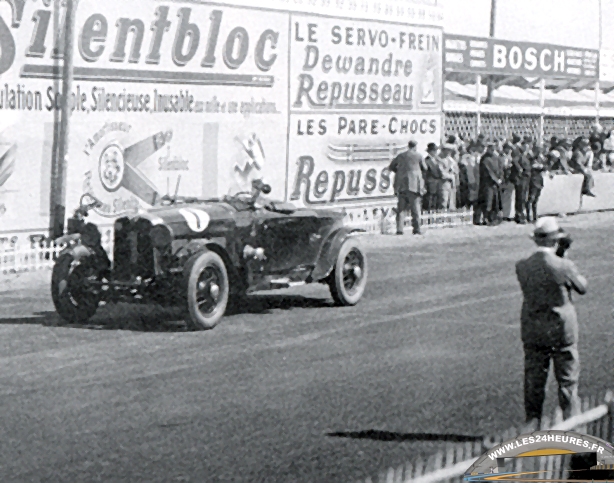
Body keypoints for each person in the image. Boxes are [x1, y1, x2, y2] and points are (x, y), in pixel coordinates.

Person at [515, 217, 587, 431]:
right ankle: (573, 430)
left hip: (534, 328)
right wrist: (564, 257)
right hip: (561, 329)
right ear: (556, 240)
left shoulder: (522, 266)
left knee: (534, 383)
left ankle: (532, 426)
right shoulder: (564, 265)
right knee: (567, 382)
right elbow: (581, 286)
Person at [388, 140, 427, 235]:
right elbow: (425, 168)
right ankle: (416, 229)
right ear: (415, 146)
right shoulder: (418, 156)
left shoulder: (401, 155)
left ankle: (400, 229)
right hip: (414, 185)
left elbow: (391, 166)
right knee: (415, 208)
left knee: (401, 208)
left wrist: (400, 171)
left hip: (401, 184)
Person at [477, 141, 503, 226]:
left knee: (496, 201)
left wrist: (500, 178)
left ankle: (493, 218)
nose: (492, 150)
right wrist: (496, 179)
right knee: (488, 200)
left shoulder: (496, 157)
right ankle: (485, 218)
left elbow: (500, 168)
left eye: (493, 148)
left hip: (496, 183)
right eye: (490, 148)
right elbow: (488, 171)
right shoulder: (484, 158)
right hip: (487, 183)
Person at [510, 139, 532, 224]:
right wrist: (519, 169)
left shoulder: (526, 156)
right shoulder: (518, 155)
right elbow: (515, 161)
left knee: (523, 197)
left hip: (526, 178)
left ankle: (522, 214)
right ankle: (519, 215)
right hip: (521, 178)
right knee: (520, 197)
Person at [423, 143, 442, 211]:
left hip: (437, 182)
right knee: (430, 198)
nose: (435, 152)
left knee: (436, 199)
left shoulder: (437, 160)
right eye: (434, 151)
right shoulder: (426, 160)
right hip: (431, 181)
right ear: (430, 151)